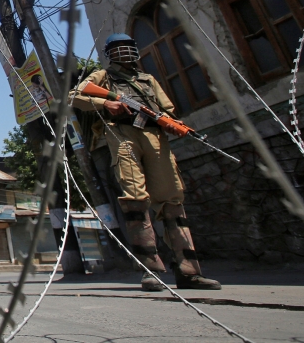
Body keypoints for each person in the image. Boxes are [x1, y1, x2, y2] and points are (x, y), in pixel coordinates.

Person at [71, 33, 221, 292]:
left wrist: (173, 124)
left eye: (128, 48)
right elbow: (75, 96)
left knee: (172, 199)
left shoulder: (147, 80)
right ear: (109, 54)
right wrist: (106, 103)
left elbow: (167, 109)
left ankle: (188, 271)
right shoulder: (103, 77)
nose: (124, 53)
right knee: (135, 198)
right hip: (123, 134)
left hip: (155, 136)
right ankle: (151, 269)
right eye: (117, 49)